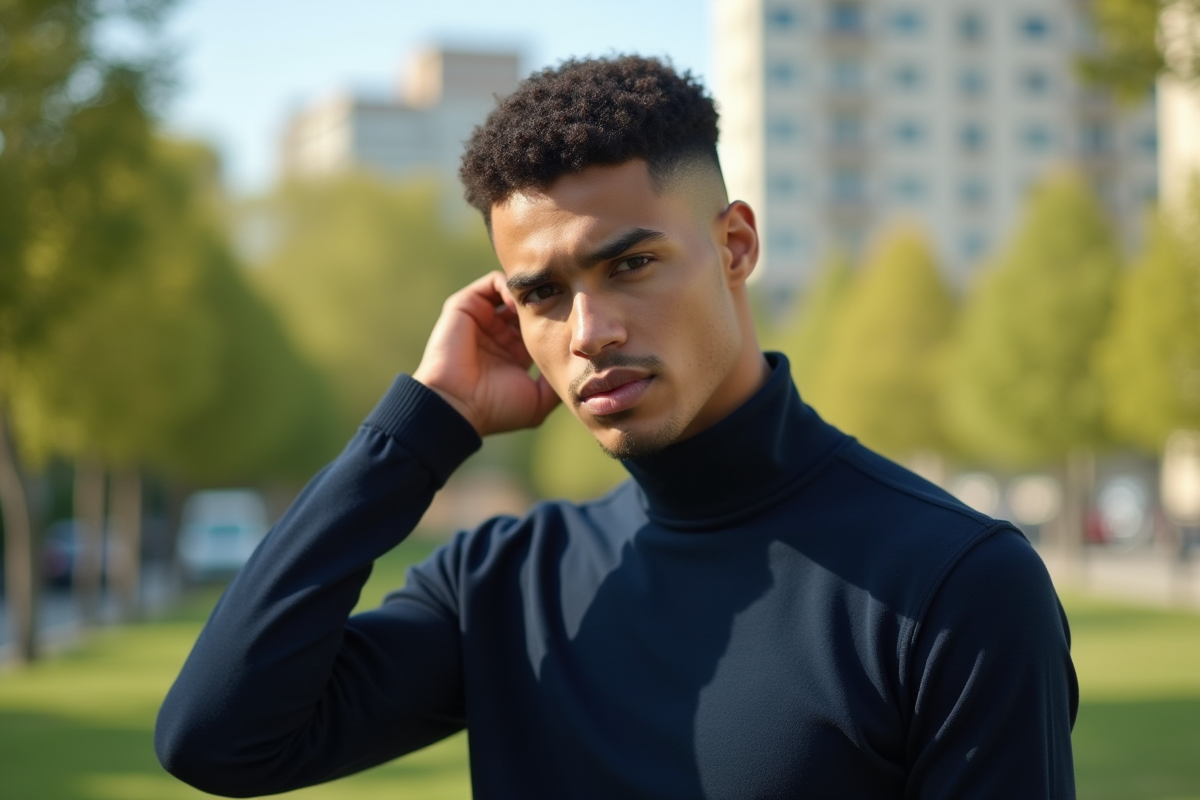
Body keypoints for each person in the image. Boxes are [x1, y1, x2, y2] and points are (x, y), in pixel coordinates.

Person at [156, 56, 1078, 799]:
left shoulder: (956, 585)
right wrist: (422, 426)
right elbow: (218, 739)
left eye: (631, 263)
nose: (589, 333)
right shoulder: (504, 584)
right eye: (541, 295)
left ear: (735, 247)